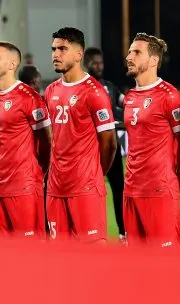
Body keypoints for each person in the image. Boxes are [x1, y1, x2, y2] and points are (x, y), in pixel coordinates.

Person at [44, 26, 116, 241]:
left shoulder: (94, 92)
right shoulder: (51, 91)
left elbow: (109, 142)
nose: (56, 54)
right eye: (54, 49)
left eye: (62, 49)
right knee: (60, 256)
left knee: (93, 253)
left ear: (78, 54)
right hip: (55, 188)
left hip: (85, 188)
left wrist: (95, 174)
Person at [121, 32, 180, 247]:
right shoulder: (130, 97)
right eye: (130, 52)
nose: (129, 57)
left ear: (153, 60)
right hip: (131, 191)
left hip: (159, 191)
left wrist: (175, 181)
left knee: (165, 261)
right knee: (136, 261)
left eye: (136, 52)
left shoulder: (169, 96)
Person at [0, 41, 51, 237]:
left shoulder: (29, 98)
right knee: (0, 252)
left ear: (12, 64)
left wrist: (37, 175)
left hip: (24, 188)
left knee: (29, 252)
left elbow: (48, 142)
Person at [84, 46, 126, 240]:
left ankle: (123, 232)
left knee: (119, 189)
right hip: (90, 150)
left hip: (111, 146)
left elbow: (125, 104)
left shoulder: (110, 87)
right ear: (86, 64)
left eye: (101, 63)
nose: (99, 66)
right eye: (95, 63)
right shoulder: (83, 88)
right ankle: (90, 232)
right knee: (89, 191)